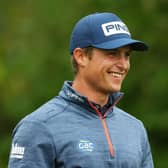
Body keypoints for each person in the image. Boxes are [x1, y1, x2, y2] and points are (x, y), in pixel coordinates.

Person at [8, 12, 154, 168]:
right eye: (112, 54)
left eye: (127, 55)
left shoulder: (135, 129)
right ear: (81, 56)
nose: (123, 64)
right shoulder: (38, 127)